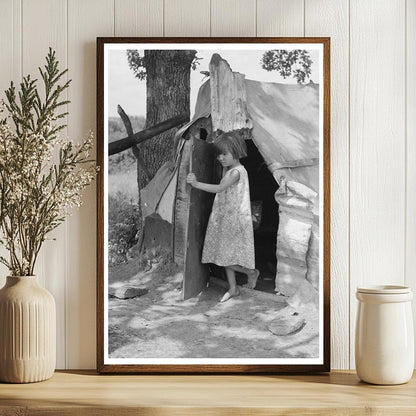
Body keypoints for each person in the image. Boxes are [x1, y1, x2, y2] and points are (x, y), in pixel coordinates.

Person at [186, 132, 259, 302]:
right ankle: (233, 288)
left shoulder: (236, 172)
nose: (221, 158)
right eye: (218, 155)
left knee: (224, 256)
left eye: (225, 154)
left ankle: (251, 272)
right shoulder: (230, 170)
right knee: (224, 253)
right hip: (225, 217)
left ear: (237, 151)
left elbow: (219, 189)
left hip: (233, 220)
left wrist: (196, 184)